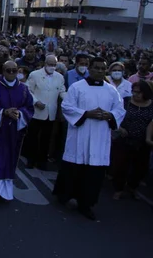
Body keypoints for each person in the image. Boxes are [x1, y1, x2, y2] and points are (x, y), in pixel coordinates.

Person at [53, 57, 126, 220]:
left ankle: (86, 204)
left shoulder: (111, 90)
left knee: (93, 173)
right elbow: (67, 106)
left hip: (100, 137)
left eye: (102, 68)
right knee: (74, 168)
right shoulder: (77, 87)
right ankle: (64, 196)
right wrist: (86, 113)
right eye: (96, 68)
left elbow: (120, 110)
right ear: (89, 69)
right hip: (81, 134)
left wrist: (110, 115)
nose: (100, 71)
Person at [0, 60, 34, 209]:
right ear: (3, 71)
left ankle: (5, 192)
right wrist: (3, 112)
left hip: (14, 131)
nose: (11, 73)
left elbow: (29, 108)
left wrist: (19, 113)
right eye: (8, 70)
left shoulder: (24, 89)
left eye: (14, 70)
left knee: (10, 159)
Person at [110, 80, 153, 200]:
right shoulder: (126, 101)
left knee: (140, 167)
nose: (135, 95)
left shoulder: (151, 105)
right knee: (120, 165)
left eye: (138, 92)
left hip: (143, 142)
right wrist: (120, 128)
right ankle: (118, 189)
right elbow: (115, 116)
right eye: (134, 92)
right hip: (124, 139)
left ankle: (132, 187)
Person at [25, 55, 67, 170]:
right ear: (45, 64)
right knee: (33, 137)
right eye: (50, 64)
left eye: (54, 65)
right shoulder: (35, 74)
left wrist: (69, 99)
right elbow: (28, 90)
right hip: (37, 111)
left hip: (50, 113)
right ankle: (30, 160)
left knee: (46, 138)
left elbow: (62, 91)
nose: (52, 67)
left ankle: (42, 162)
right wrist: (36, 101)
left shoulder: (59, 77)